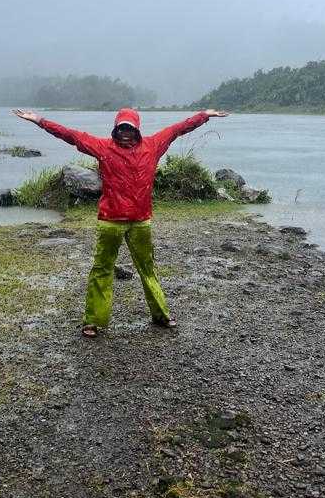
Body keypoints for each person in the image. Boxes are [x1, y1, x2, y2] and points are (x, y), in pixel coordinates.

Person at [12, 106, 228, 337]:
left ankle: (161, 315)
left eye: (130, 128)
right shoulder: (103, 147)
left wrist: (204, 116)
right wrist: (39, 120)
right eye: (122, 128)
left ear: (137, 130)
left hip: (140, 222)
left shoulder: (153, 146)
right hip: (110, 222)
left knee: (147, 269)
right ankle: (92, 321)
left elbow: (178, 129)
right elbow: (70, 135)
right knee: (102, 269)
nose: (126, 133)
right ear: (116, 129)